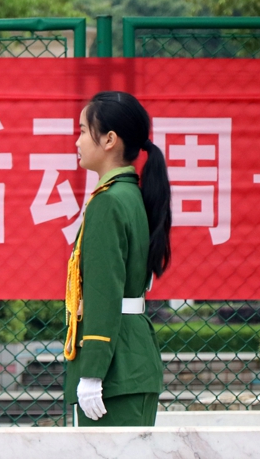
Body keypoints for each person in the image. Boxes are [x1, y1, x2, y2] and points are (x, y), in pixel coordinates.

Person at [64, 91, 171, 426]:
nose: (78, 141)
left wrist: (92, 372)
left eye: (84, 131)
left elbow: (104, 293)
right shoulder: (128, 195)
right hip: (129, 358)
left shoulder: (108, 202)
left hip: (114, 370)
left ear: (109, 140)